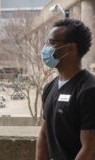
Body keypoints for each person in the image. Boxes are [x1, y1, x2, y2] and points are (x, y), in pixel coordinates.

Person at [36, 19, 95, 160]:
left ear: (70, 48)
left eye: (52, 42)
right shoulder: (50, 87)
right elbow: (44, 134)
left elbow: (90, 149)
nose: (47, 48)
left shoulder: (89, 90)